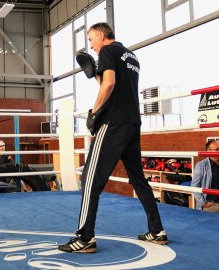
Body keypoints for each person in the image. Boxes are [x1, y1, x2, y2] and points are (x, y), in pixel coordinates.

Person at [58, 23, 167, 253]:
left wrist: (94, 112)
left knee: (90, 179)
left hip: (114, 123)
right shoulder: (131, 56)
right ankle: (157, 231)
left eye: (91, 40)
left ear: (100, 35)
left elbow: (109, 84)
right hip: (132, 123)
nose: (91, 46)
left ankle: (85, 237)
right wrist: (95, 74)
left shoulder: (108, 50)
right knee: (138, 179)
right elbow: (114, 86)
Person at [191, 140, 219, 213]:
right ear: (208, 151)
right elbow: (194, 186)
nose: (218, 151)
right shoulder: (201, 165)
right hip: (211, 205)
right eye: (216, 149)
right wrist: (203, 203)